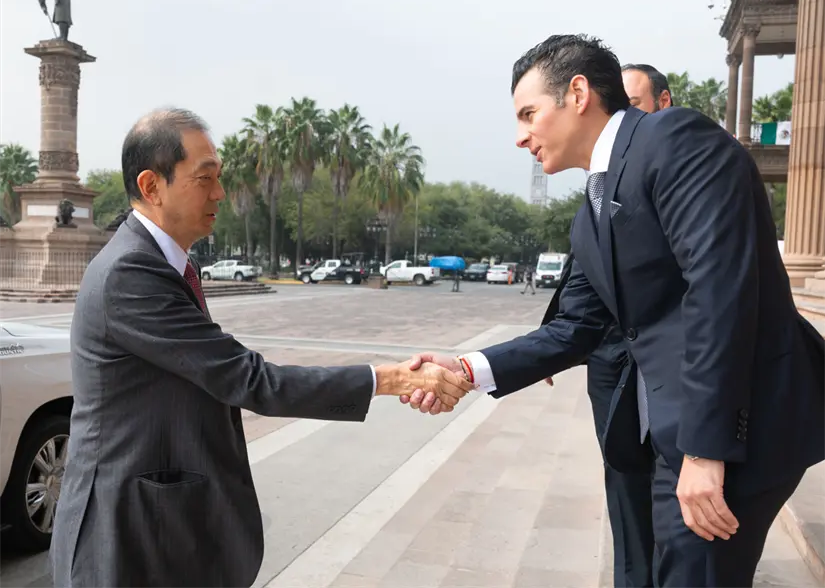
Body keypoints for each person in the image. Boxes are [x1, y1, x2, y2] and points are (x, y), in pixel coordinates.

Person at [405, 35, 825, 588]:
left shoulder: (675, 141)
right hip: (673, 439)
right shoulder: (589, 215)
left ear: (577, 93)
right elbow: (576, 327)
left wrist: (705, 450)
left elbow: (719, 293)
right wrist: (464, 370)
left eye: (529, 114)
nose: (519, 137)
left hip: (735, 432)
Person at [50, 108, 472, 588]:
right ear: (152, 186)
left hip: (160, 524)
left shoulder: (157, 263)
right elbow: (248, 380)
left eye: (219, 177)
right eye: (204, 178)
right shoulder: (131, 273)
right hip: (126, 534)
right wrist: (391, 379)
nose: (220, 193)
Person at [535, 63, 674, 588]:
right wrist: (548, 348)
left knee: (678, 511)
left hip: (670, 380)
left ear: (662, 105)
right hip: (610, 363)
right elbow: (582, 279)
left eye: (634, 105)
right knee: (625, 491)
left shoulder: (679, 169)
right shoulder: (594, 194)